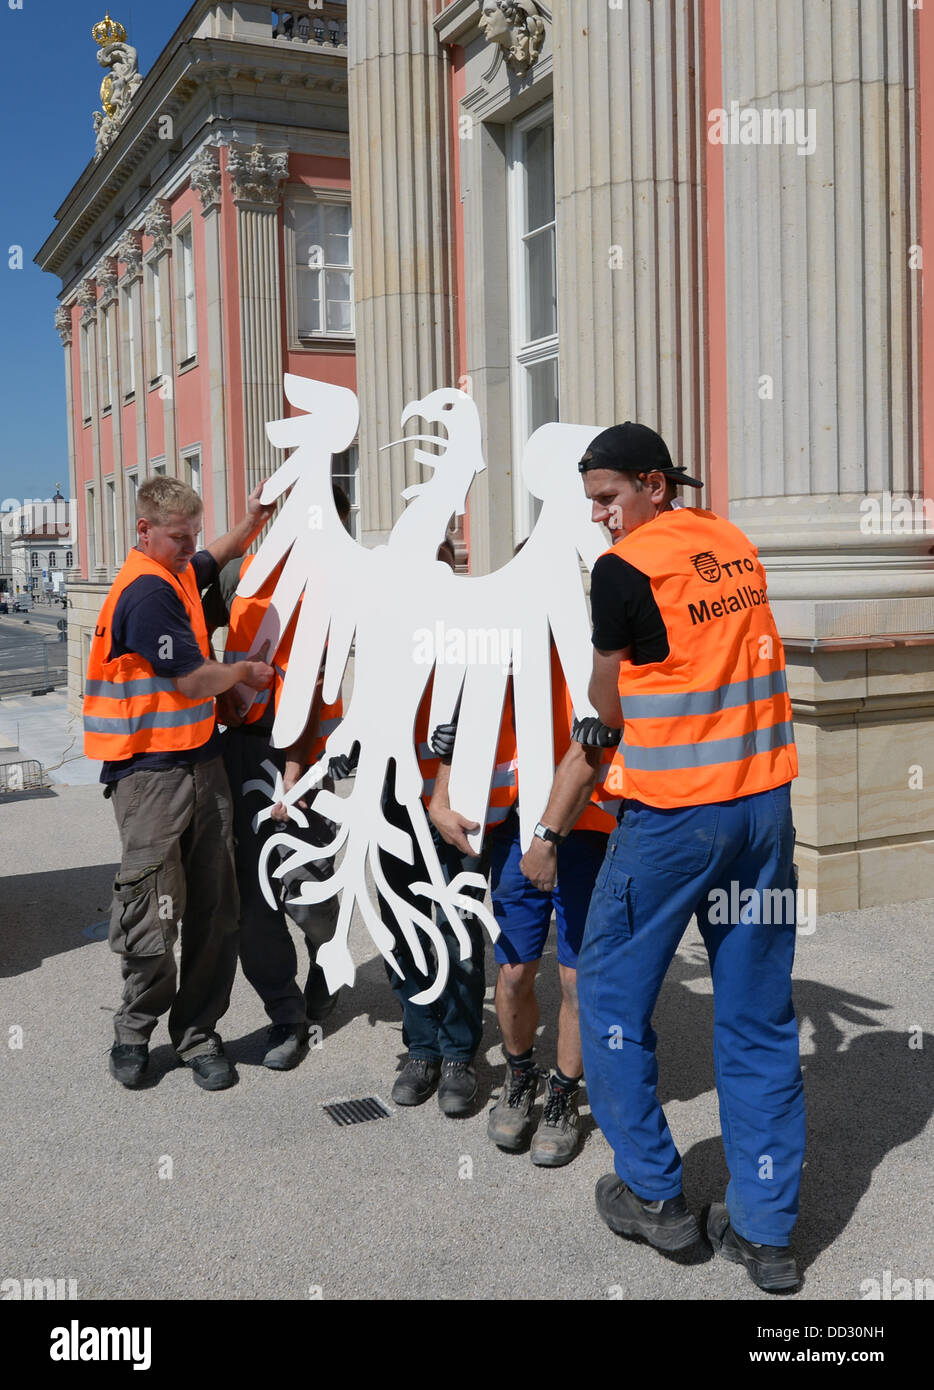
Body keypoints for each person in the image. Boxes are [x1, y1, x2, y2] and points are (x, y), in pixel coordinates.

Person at [575, 421, 803, 1292]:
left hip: (674, 821)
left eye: (608, 499)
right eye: (594, 504)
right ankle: (767, 1235)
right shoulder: (732, 540)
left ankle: (655, 1201)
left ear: (653, 485)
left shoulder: (623, 570)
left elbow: (609, 699)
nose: (601, 517)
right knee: (758, 1017)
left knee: (609, 1000)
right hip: (764, 814)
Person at [84, 476, 276, 1091]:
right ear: (145, 531)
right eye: (177, 536)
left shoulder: (174, 572)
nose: (188, 546)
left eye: (191, 533)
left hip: (202, 763)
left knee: (216, 908)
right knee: (152, 911)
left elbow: (209, 560)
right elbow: (194, 683)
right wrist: (246, 671)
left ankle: (197, 1034)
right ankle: (134, 1031)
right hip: (150, 778)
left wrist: (251, 521)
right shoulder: (146, 593)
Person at [430, 646, 617, 1166]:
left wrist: (551, 837)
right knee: (513, 974)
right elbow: (463, 744)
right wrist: (443, 787)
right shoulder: (496, 655)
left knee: (577, 978)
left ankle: (561, 1097)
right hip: (517, 830)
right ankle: (519, 1074)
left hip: (585, 830)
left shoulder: (585, 656)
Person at [203, 536, 344, 1071]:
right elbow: (194, 632)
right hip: (243, 748)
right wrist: (222, 687)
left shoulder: (327, 581)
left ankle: (326, 960)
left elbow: (307, 687)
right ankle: (286, 1014)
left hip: (304, 758)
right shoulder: (240, 575)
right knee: (254, 891)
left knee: (307, 885)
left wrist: (293, 773)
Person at [375, 539, 491, 1117]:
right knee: (402, 925)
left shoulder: (472, 628)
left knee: (458, 929)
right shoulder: (384, 631)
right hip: (393, 798)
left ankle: (458, 1053)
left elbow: (499, 703)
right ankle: (421, 1046)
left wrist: (463, 737)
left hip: (456, 801)